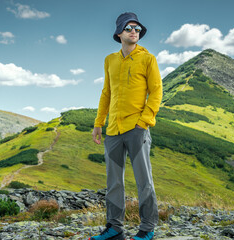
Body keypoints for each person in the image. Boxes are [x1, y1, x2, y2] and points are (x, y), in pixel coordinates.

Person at [89, 12, 162, 240]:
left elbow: (156, 92)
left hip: (137, 128)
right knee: (113, 183)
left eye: (138, 29)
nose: (134, 32)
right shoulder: (109, 60)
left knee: (144, 181)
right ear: (119, 32)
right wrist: (99, 123)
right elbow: (106, 93)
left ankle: (147, 228)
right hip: (113, 131)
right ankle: (114, 228)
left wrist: (143, 122)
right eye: (130, 28)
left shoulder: (148, 59)